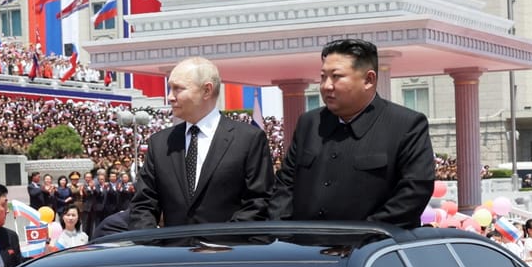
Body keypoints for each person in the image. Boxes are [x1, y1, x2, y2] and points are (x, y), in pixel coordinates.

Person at [270, 38, 435, 227]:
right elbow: (284, 186)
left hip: (372, 250)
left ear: (368, 80)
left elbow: (413, 193)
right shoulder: (309, 123)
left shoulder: (406, 125)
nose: (326, 86)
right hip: (305, 249)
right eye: (323, 76)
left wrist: (362, 236)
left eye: (336, 77)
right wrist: (283, 231)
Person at [127, 57, 273, 229]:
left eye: (178, 89)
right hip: (172, 253)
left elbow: (259, 202)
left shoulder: (248, 140)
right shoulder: (160, 144)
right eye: (169, 88)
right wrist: (152, 246)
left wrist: (220, 243)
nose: (170, 97)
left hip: (230, 251)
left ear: (207, 91)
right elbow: (143, 205)